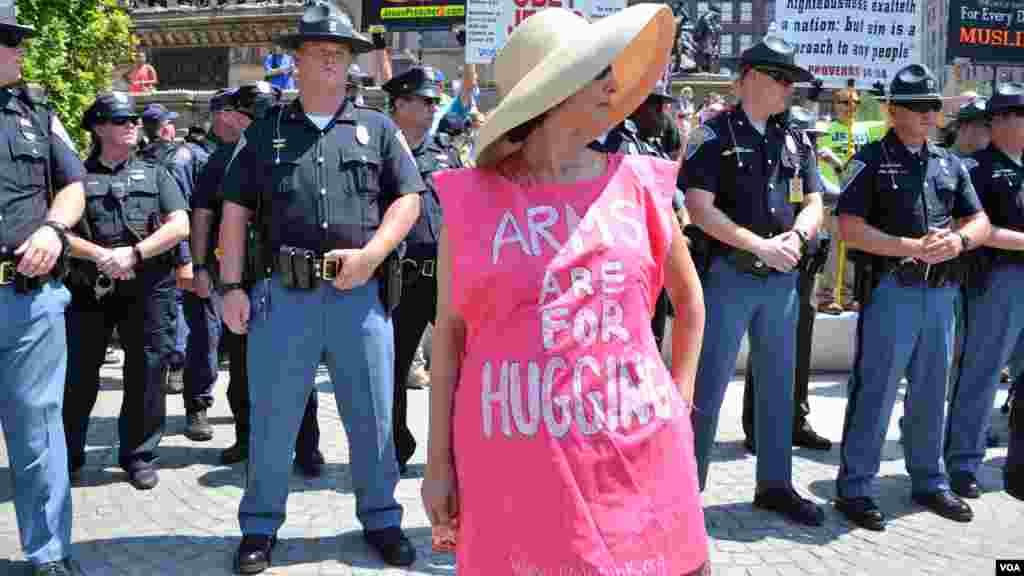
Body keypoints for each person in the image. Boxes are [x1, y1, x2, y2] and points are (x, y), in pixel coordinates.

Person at [423, 5, 710, 573]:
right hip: (513, 464)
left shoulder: (640, 185)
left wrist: (678, 406)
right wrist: (438, 465)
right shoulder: (472, 201)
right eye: (594, 71)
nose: (612, 83)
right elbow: (450, 336)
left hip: (636, 453)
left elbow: (691, 303)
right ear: (553, 95)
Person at [218, 2, 424, 572]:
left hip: (359, 296)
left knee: (373, 416)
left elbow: (408, 198)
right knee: (273, 419)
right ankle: (259, 527)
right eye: (319, 52)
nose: (332, 61)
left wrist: (374, 255)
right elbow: (234, 211)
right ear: (298, 61)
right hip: (283, 297)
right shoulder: (265, 132)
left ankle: (382, 519)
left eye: (340, 53)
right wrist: (231, 285)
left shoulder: (378, 129)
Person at [833, 64, 991, 531]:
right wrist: (913, 248)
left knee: (931, 391)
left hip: (941, 295)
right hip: (892, 290)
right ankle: (856, 487)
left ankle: (928, 479)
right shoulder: (870, 159)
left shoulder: (949, 163)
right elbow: (849, 228)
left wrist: (959, 242)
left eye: (933, 107)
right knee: (876, 390)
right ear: (893, 110)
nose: (928, 115)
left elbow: (977, 221)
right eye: (918, 107)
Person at [682, 36, 826, 526]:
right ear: (750, 79)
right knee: (707, 385)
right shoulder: (714, 134)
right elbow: (699, 208)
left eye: (790, 81)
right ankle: (685, 491)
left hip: (781, 278)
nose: (789, 89)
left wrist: (798, 237)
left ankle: (775, 484)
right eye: (782, 79)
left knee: (778, 386)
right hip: (729, 276)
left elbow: (814, 201)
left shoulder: (794, 138)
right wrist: (758, 244)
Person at [191, 84, 324, 469]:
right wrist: (200, 266)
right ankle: (248, 439)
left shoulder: (295, 150)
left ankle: (306, 446)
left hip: (287, 274)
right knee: (245, 368)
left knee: (299, 366)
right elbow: (203, 214)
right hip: (240, 279)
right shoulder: (221, 160)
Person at [62, 93, 190, 493]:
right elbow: (57, 232)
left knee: (149, 371)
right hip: (89, 288)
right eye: (121, 120)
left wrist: (133, 254)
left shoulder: (157, 173)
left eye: (134, 119)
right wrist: (102, 255)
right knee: (77, 374)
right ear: (99, 128)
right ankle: (68, 455)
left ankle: (139, 456)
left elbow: (180, 225)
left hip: (149, 285)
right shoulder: (75, 178)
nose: (132, 124)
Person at [0, 11, 87, 575]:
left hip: (28, 300)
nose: (19, 51)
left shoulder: (36, 113)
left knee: (37, 429)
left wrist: (54, 229)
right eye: (10, 42)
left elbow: (74, 185)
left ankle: (49, 554)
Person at [381, 66, 462, 475]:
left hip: (446, 276)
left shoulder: (445, 153)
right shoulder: (380, 154)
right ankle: (396, 447)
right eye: (425, 101)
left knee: (462, 369)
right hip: (401, 277)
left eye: (435, 102)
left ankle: (459, 452)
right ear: (399, 105)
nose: (433, 108)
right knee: (392, 371)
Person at [946, 82, 1024, 500]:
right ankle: (962, 462)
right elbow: (972, 229)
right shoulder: (975, 169)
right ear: (1003, 121)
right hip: (996, 283)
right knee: (981, 375)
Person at [741, 105, 833, 454]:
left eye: (814, 139)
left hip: (804, 268)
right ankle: (758, 425)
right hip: (775, 265)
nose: (810, 144)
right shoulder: (774, 164)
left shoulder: (807, 168)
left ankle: (796, 418)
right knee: (768, 352)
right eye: (808, 137)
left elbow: (819, 200)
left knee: (801, 346)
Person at [601, 78, 677, 353]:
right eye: (657, 108)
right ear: (637, 107)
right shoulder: (616, 144)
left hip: (655, 258)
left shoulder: (648, 146)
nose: (662, 116)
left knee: (654, 337)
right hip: (628, 258)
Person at [140, 103, 208, 395]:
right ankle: (177, 364)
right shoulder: (184, 156)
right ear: (165, 128)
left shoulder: (136, 158)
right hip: (178, 238)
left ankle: (165, 362)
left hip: (146, 244)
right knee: (180, 303)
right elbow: (190, 205)